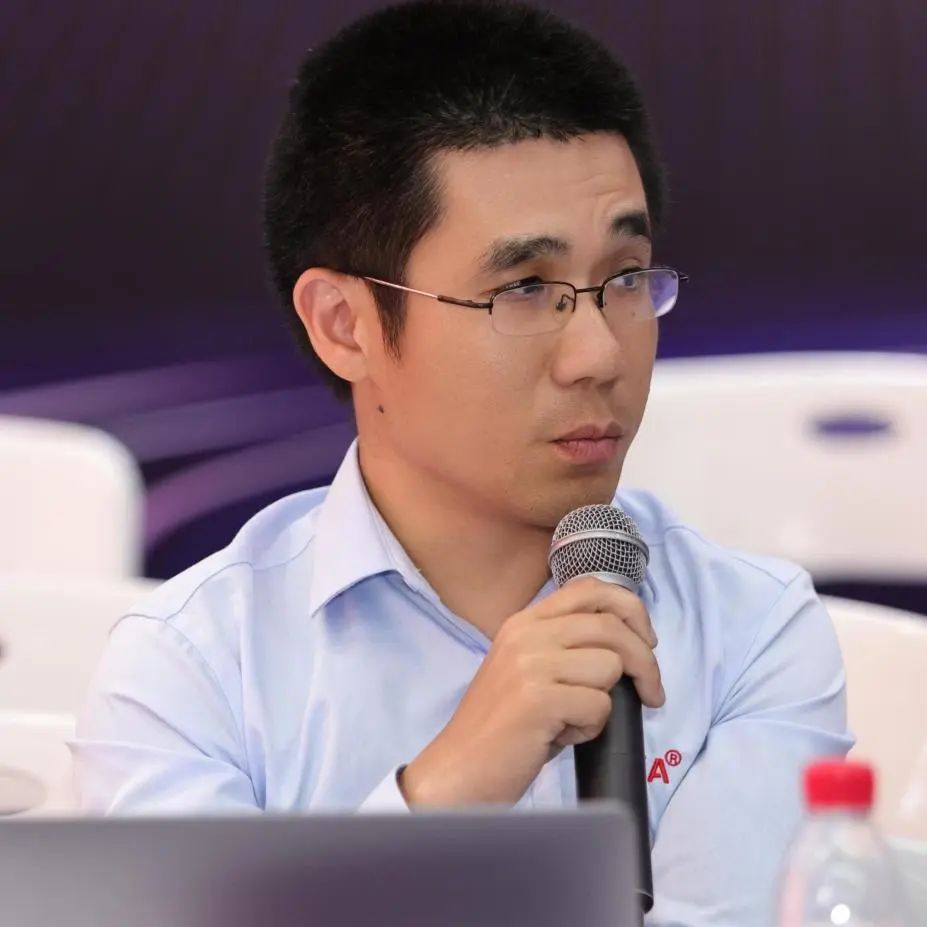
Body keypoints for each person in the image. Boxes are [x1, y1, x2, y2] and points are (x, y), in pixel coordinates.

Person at [72, 1, 852, 922]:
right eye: (523, 288)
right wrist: (445, 793)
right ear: (345, 325)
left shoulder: (750, 630)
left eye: (624, 278)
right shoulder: (196, 670)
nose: (598, 353)